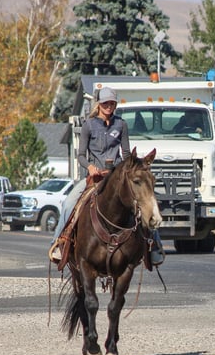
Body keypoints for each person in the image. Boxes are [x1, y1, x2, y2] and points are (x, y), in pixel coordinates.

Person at [50, 86, 164, 266]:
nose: (108, 106)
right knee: (69, 203)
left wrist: (134, 166)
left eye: (112, 103)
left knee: (144, 202)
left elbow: (126, 154)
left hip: (117, 177)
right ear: (99, 104)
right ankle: (59, 243)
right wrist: (90, 167)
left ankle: (154, 245)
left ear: (115, 104)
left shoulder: (121, 124)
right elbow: (81, 155)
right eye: (105, 103)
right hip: (94, 179)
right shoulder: (89, 125)